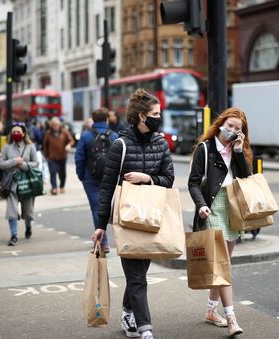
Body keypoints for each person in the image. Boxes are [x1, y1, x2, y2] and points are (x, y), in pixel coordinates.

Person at [91, 89, 174, 339]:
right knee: (137, 277)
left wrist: (147, 178)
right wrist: (101, 225)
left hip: (152, 217)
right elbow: (106, 187)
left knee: (139, 273)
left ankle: (127, 311)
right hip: (127, 218)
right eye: (156, 114)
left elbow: (169, 180)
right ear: (141, 116)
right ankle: (146, 329)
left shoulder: (161, 143)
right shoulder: (121, 145)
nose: (159, 118)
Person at [188, 107, 251, 337]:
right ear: (221, 123)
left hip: (232, 209)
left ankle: (211, 310)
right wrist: (201, 204)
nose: (233, 130)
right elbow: (193, 182)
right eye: (231, 125)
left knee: (222, 266)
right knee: (223, 266)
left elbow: (246, 179)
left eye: (238, 128)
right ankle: (232, 318)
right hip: (212, 209)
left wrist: (237, 152)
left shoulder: (237, 150)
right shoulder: (205, 149)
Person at [75, 108, 118, 253]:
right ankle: (117, 240)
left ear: (93, 119)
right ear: (106, 119)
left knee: (96, 209)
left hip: (90, 178)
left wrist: (82, 176)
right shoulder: (114, 136)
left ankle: (103, 243)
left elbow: (79, 158)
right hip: (110, 178)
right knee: (110, 208)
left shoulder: (86, 136)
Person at [0, 122, 39, 246]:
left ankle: (28, 227)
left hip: (26, 182)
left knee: (27, 211)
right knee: (12, 210)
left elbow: (36, 163)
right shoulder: (6, 147)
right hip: (12, 183)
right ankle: (14, 235)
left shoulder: (30, 147)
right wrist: (14, 161)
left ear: (23, 134)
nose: (16, 134)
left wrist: (24, 165)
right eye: (14, 132)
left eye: (18, 132)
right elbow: (1, 164)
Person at [42, 117, 74, 195]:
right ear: (51, 125)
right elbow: (45, 145)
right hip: (52, 157)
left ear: (59, 124)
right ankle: (54, 188)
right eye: (53, 124)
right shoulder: (48, 133)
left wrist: (69, 145)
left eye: (56, 124)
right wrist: (46, 155)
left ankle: (62, 186)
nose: (55, 126)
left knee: (62, 173)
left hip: (62, 156)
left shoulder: (64, 132)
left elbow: (71, 140)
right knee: (52, 172)